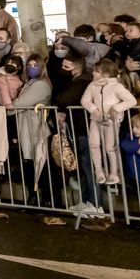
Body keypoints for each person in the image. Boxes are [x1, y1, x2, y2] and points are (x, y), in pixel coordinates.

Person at [54, 53, 105, 216]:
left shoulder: (82, 82)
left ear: (76, 68)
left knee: (89, 167)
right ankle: (85, 201)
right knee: (82, 168)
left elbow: (64, 98)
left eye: (66, 67)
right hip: (79, 128)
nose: (62, 70)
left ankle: (96, 203)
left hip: (85, 129)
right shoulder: (78, 81)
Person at [81, 59, 137, 186]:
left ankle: (114, 172)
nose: (93, 73)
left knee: (110, 147)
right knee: (94, 144)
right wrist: (94, 110)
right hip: (96, 119)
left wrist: (115, 109)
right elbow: (85, 100)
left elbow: (131, 101)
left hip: (111, 121)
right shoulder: (92, 85)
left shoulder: (117, 86)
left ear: (105, 74)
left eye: (97, 71)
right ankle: (99, 171)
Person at [13, 55, 52, 205]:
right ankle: (33, 195)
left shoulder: (41, 85)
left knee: (39, 160)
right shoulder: (29, 83)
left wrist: (10, 107)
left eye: (35, 64)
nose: (31, 67)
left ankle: (45, 197)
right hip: (27, 125)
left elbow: (21, 103)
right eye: (29, 64)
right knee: (29, 161)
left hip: (36, 125)